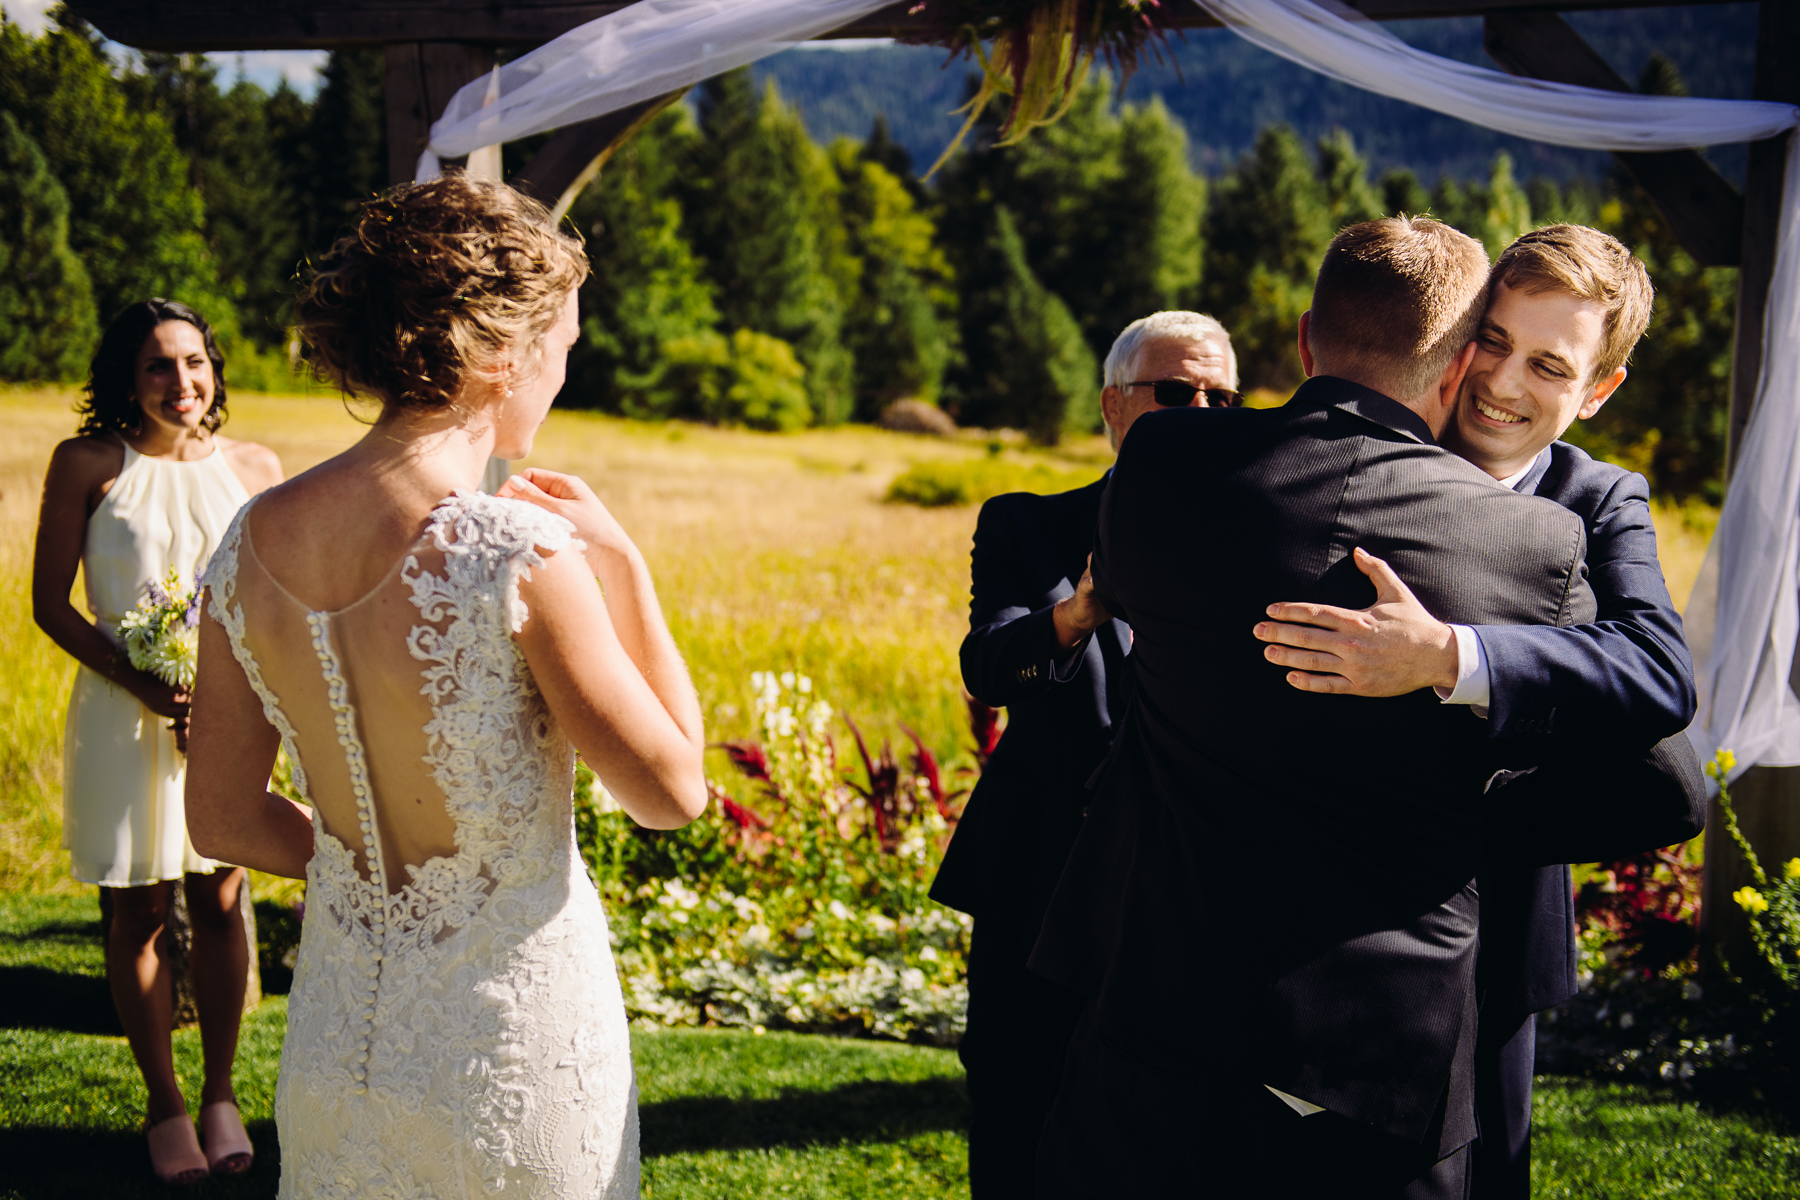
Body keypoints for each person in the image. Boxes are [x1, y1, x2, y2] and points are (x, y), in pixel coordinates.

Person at [1028, 216, 1619, 1199]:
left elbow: (1135, 604)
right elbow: (1662, 788)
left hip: (1157, 1017)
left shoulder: (1164, 465)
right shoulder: (1532, 545)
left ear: (1307, 340)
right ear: (1462, 361)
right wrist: (1457, 793)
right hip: (1378, 1054)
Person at [182, 174, 708, 1199]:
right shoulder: (509, 550)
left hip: (344, 1042)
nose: (564, 372)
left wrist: (366, 869)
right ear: (504, 353)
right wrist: (629, 571)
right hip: (516, 1045)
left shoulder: (248, 544)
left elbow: (220, 819)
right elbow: (671, 793)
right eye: (565, 347)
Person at [1250, 224, 1706, 1198]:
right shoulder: (1380, 453)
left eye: (1549, 364)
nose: (1502, 382)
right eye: (1491, 340)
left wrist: (1451, 659)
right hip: (1311, 908)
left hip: (1496, 915)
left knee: (1479, 1172)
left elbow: (1659, 678)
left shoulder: (1600, 501)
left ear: (1597, 391)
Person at [931, 312, 1240, 1199]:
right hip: (1041, 877)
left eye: (1223, 397)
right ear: (1113, 405)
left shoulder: (1259, 541)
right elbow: (990, 669)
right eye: (1176, 392)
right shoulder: (1029, 527)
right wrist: (1079, 611)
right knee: (1017, 1114)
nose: (1202, 410)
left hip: (1188, 891)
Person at [32, 298, 283, 1184]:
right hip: (117, 709)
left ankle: (221, 1094)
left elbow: (268, 601)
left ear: (214, 369)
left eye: (194, 362)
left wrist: (230, 698)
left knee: (220, 898)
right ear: (125, 380)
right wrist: (149, 686)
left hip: (231, 712)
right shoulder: (89, 464)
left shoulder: (255, 467)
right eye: (157, 366)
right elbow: (48, 605)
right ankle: (164, 1104)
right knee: (135, 909)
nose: (181, 382)